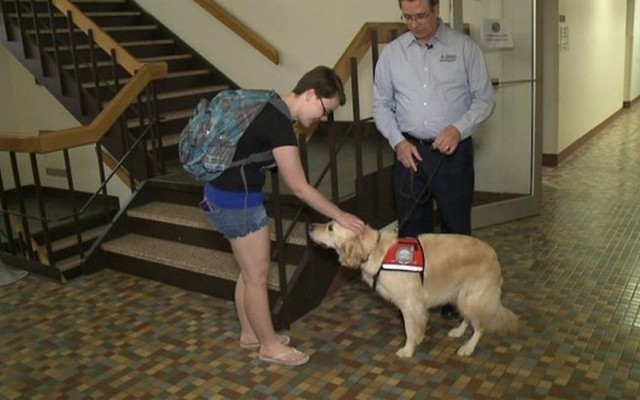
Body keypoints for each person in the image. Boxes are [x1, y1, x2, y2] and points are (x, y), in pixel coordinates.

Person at [200, 66, 365, 366]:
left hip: (219, 195)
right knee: (257, 275)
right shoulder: (279, 124)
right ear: (312, 94)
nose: (323, 118)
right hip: (239, 203)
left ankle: (250, 333)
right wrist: (339, 214)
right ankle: (269, 345)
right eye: (325, 110)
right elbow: (300, 188)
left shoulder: (268, 102)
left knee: (247, 271)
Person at [373, 0, 495, 319]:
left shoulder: (465, 48)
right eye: (407, 17)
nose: (414, 24)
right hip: (409, 152)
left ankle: (455, 298)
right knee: (412, 229)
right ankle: (412, 297)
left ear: (437, 9)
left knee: (456, 228)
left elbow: (484, 100)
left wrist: (458, 128)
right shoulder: (392, 54)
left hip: (452, 153)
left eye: (421, 16)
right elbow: (382, 105)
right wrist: (397, 141)